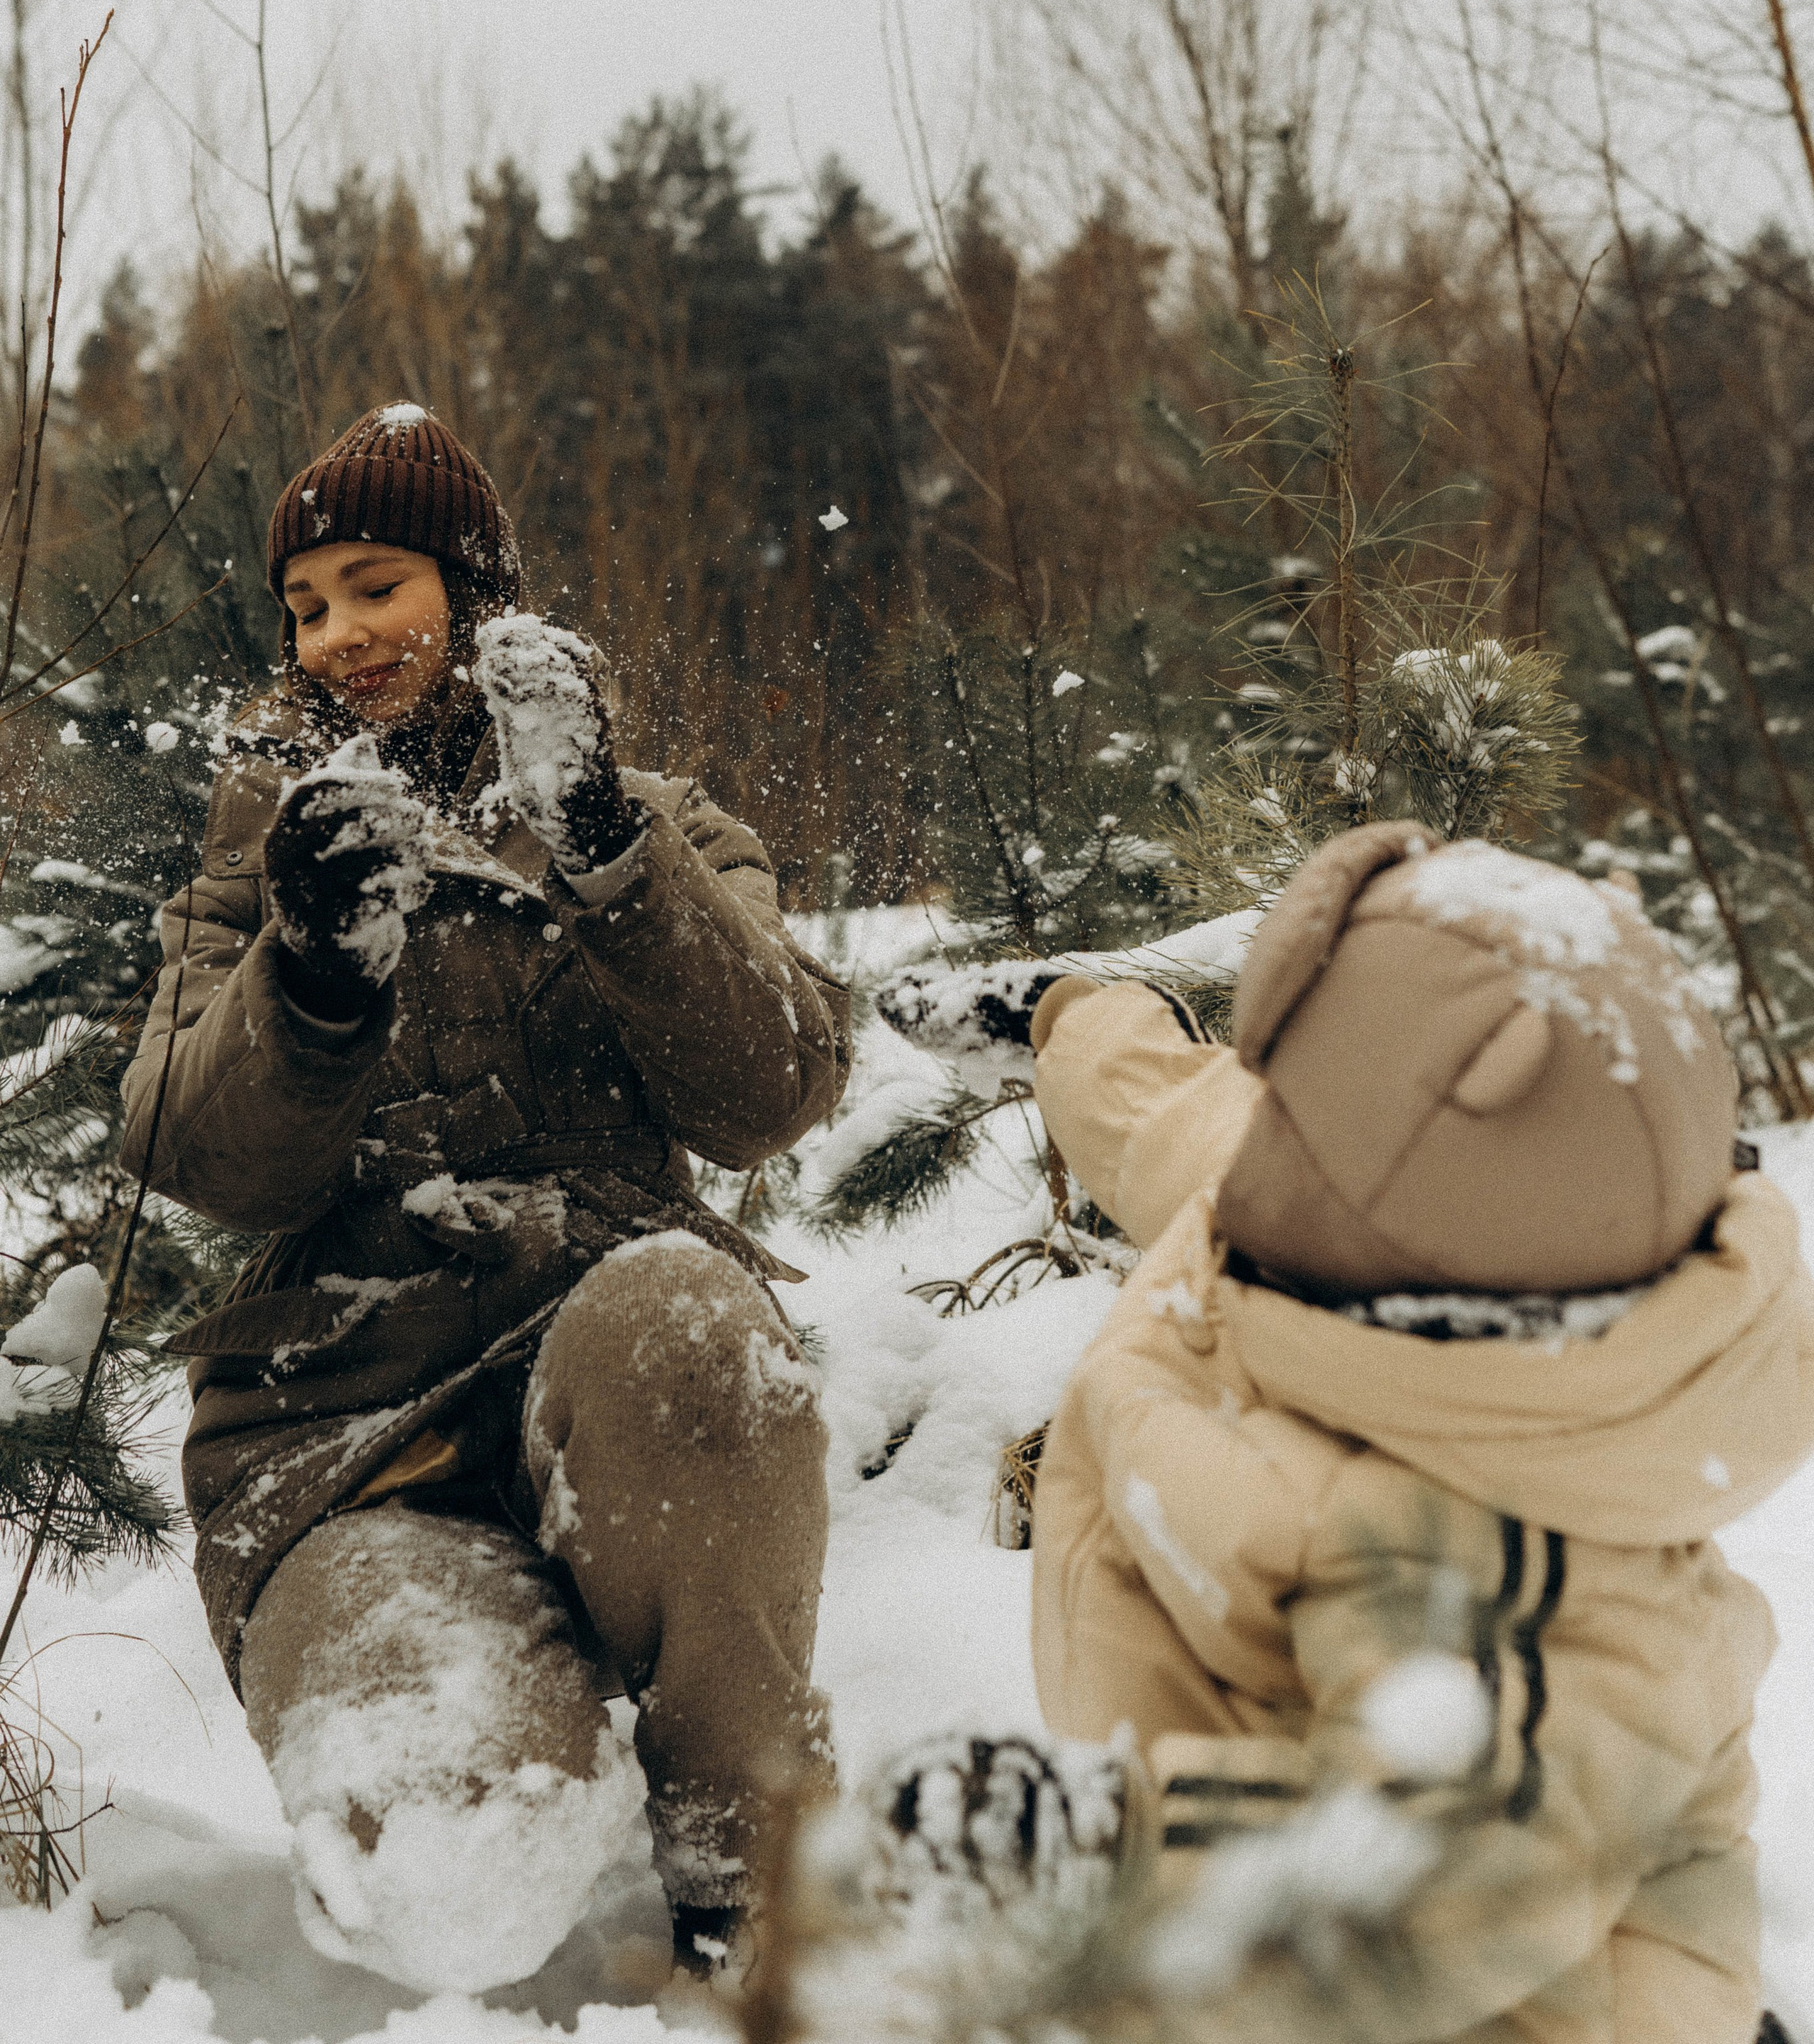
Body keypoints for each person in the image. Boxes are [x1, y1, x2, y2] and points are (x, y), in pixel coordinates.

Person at [121, 403, 850, 1997]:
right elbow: (190, 1152)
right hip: (342, 1435)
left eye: (375, 585)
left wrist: (608, 854)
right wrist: (307, 974)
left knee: (685, 1316)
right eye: (304, 607)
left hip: (611, 1376)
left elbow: (776, 1089)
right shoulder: (253, 868)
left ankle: (759, 1869)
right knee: (440, 1871)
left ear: (472, 588)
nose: (337, 637)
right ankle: (528, 1658)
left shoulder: (661, 824)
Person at [877, 824, 1814, 2043]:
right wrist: (1067, 1016)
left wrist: (1109, 1845)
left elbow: (1434, 1898)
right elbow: (1176, 1113)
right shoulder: (1348, 1211)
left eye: (1292, 1116)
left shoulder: (1521, 1567)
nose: (1255, 1132)